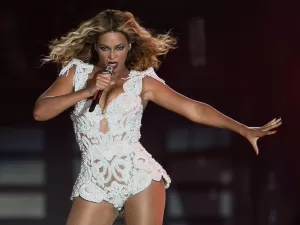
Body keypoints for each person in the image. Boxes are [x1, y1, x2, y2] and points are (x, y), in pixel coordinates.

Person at [33, 9, 282, 225]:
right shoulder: (76, 73)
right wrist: (87, 91)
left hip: (138, 174)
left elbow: (194, 109)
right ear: (95, 47)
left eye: (119, 48)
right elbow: (40, 111)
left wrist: (243, 129)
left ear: (129, 46)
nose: (112, 56)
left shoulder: (142, 81)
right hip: (94, 178)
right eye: (105, 48)